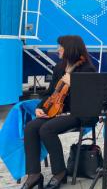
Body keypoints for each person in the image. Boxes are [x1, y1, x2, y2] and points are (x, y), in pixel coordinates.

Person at [22, 35, 97, 189]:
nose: (58, 50)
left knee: (46, 129)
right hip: (58, 110)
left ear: (69, 48)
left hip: (79, 113)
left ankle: (60, 172)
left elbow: (90, 98)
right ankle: (34, 174)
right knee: (30, 127)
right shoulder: (59, 67)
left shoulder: (87, 69)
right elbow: (50, 92)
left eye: (60, 47)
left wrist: (74, 83)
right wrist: (40, 107)